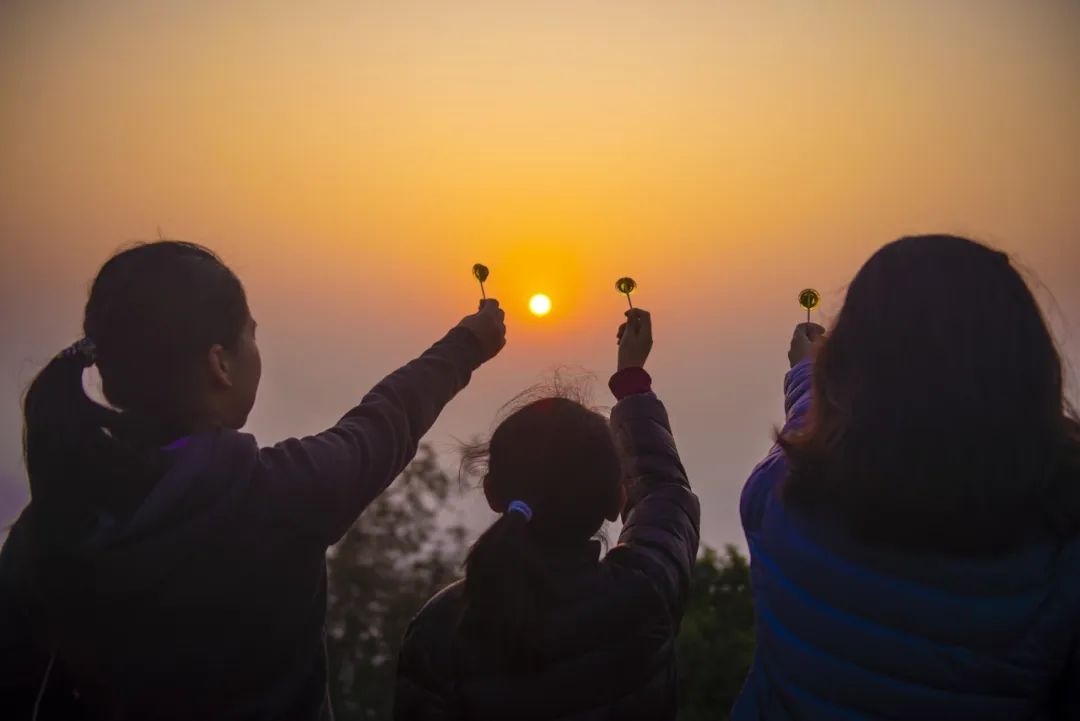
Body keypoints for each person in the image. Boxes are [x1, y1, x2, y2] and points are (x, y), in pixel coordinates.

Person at [0, 241, 506, 720]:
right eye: (251, 334)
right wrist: (466, 346)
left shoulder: (46, 530)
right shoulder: (281, 496)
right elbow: (386, 420)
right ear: (220, 363)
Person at [734, 235, 1080, 720]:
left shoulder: (782, 499)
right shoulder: (1058, 550)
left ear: (850, 363)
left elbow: (811, 436)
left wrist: (806, 374)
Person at [394, 308, 700, 721]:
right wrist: (630, 379)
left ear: (492, 494)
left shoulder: (443, 629)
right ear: (616, 499)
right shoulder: (646, 590)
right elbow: (666, 492)